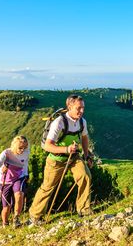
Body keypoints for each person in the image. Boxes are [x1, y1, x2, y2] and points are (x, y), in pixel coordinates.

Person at [29, 94, 93, 224]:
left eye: (83, 108)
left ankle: (84, 210)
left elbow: (85, 138)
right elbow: (47, 146)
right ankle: (35, 216)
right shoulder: (59, 122)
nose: (81, 111)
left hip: (74, 157)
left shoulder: (82, 122)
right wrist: (66, 149)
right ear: (69, 106)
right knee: (48, 187)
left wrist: (86, 156)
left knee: (85, 176)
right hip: (56, 159)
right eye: (78, 108)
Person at [0, 135, 30, 228]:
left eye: (25, 147)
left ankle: (16, 219)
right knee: (7, 207)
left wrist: (25, 175)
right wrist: (1, 170)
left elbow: (25, 164)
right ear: (14, 146)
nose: (22, 150)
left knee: (19, 195)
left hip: (19, 177)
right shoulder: (6, 153)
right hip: (5, 181)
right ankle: (5, 223)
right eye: (20, 148)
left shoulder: (26, 152)